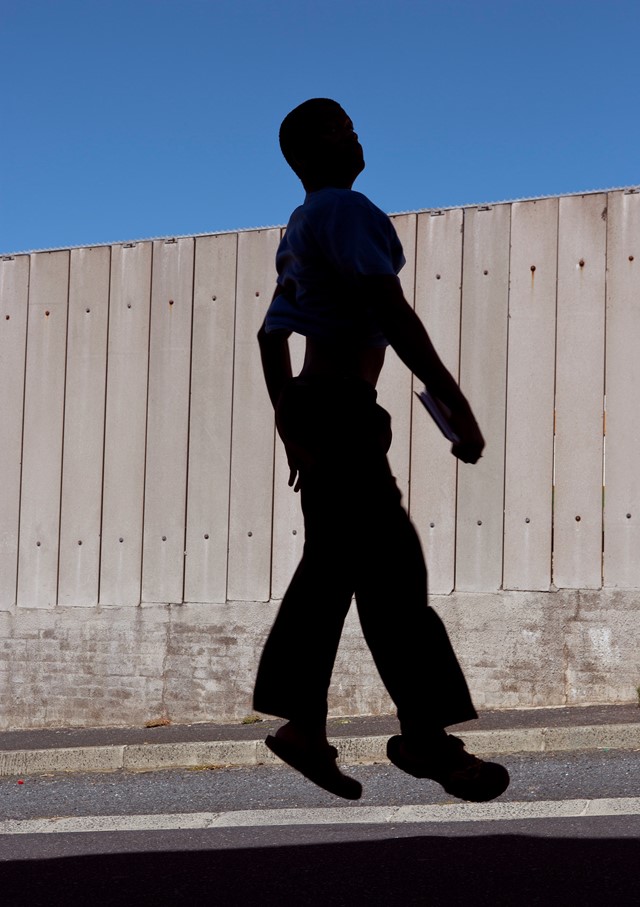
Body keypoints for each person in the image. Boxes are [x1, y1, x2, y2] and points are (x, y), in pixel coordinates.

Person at [253, 98, 509, 802]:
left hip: (325, 413)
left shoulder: (300, 228)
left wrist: (289, 422)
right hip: (339, 413)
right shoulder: (346, 211)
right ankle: (423, 739)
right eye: (344, 129)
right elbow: (390, 309)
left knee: (343, 570)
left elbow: (270, 336)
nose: (356, 136)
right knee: (390, 569)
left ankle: (311, 726)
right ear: (315, 149)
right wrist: (452, 399)